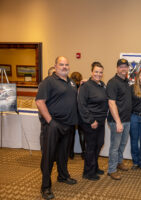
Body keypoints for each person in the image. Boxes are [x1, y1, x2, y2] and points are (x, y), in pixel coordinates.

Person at [36, 56, 78, 199]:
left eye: (66, 64)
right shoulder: (48, 82)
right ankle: (45, 187)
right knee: (48, 157)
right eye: (61, 64)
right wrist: (50, 121)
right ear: (55, 66)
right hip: (53, 125)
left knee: (63, 154)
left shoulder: (72, 82)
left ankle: (63, 175)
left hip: (68, 125)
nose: (64, 67)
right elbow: (40, 102)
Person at [78, 62, 108, 181]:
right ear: (92, 72)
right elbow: (82, 105)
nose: (98, 74)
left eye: (100, 72)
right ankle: (88, 172)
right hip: (91, 122)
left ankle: (94, 167)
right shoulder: (86, 86)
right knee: (91, 147)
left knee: (99, 144)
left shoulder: (102, 85)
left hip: (101, 121)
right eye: (96, 72)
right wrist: (91, 120)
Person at [106, 58, 132, 180]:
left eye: (125, 67)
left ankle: (119, 162)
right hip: (116, 121)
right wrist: (118, 122)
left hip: (127, 120)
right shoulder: (112, 82)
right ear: (117, 68)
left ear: (127, 68)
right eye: (121, 67)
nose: (123, 69)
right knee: (115, 146)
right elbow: (111, 103)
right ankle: (112, 169)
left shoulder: (127, 81)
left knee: (122, 144)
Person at [69, 72, 85, 160]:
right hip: (80, 112)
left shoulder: (69, 86)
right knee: (82, 133)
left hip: (71, 112)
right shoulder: (82, 87)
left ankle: (70, 153)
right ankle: (84, 152)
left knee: (71, 133)